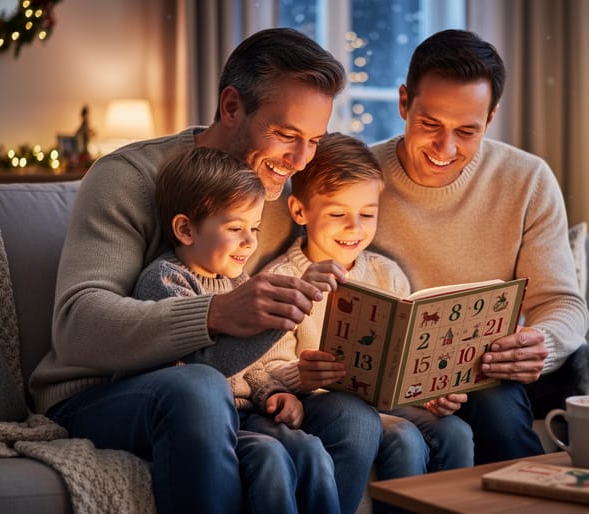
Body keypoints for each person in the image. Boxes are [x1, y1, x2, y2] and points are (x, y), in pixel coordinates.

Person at [30, 28, 382, 514]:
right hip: (99, 393)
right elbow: (77, 326)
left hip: (238, 393)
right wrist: (214, 313)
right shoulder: (127, 178)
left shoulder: (282, 187)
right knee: (198, 387)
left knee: (352, 416)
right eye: (285, 135)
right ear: (232, 106)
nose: (300, 160)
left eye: (314, 140)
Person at [366, 29, 589, 464]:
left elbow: (563, 303)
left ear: (491, 116)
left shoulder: (526, 178)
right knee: (491, 397)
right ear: (405, 102)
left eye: (467, 130)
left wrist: (540, 343)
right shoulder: (358, 180)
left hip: (504, 366)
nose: (445, 148)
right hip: (430, 387)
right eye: (430, 124)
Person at [130, 145, 342, 513]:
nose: (250, 241)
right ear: (185, 229)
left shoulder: (239, 280)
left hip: (246, 414)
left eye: (255, 228)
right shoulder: (165, 282)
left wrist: (274, 392)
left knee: (312, 451)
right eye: (235, 228)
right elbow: (203, 367)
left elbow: (251, 366)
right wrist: (285, 313)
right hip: (201, 425)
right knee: (269, 457)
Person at [257, 132, 474, 486]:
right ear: (300, 210)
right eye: (338, 213)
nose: (354, 228)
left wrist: (434, 391)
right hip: (324, 406)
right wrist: (301, 376)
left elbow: (411, 351)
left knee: (456, 431)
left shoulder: (385, 273)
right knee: (403, 439)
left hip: (388, 404)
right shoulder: (281, 280)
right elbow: (265, 370)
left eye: (367, 214)